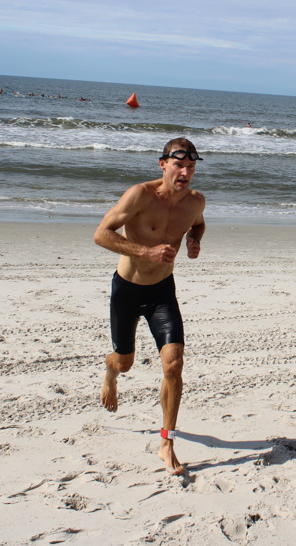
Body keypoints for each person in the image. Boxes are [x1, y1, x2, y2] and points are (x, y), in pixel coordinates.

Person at [93, 137, 206, 475]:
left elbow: (198, 222)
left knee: (174, 365)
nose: (185, 172)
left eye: (190, 167)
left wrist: (194, 239)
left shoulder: (196, 201)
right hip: (127, 290)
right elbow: (101, 234)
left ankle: (166, 442)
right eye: (178, 165)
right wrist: (146, 251)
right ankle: (111, 373)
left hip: (162, 293)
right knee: (124, 363)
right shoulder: (140, 195)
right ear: (163, 164)